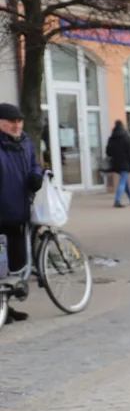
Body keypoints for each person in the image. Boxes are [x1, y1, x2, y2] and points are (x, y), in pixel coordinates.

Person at [0, 104, 44, 323]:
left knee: (15, 263)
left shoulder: (25, 142)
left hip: (18, 212)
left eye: (19, 121)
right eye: (11, 121)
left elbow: (35, 165)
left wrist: (36, 176)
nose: (16, 125)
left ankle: (6, 306)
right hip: (2, 211)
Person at [105, 120, 130, 209]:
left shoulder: (111, 138)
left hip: (116, 163)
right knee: (122, 182)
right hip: (125, 163)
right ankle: (117, 200)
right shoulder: (126, 138)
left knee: (124, 181)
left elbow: (108, 152)